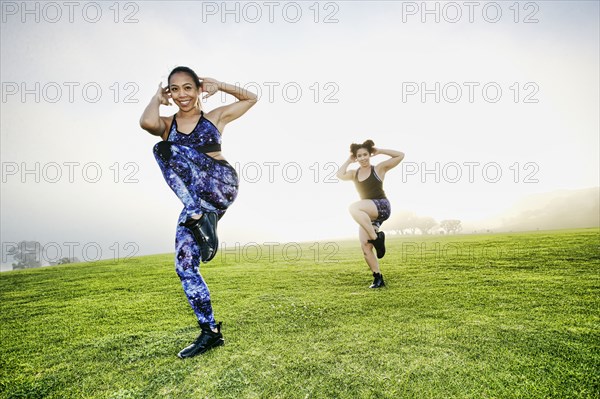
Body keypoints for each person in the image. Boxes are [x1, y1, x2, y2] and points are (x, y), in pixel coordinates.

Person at [139, 66, 257, 358]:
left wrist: (221, 84)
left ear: (198, 89)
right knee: (185, 264)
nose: (182, 95)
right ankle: (210, 331)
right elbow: (146, 122)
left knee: (163, 150)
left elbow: (251, 98)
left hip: (220, 184)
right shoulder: (169, 125)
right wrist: (156, 97)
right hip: (198, 205)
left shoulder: (213, 118)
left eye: (188, 88)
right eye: (174, 89)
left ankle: (198, 216)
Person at [336, 140, 404, 288]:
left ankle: (376, 238)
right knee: (365, 246)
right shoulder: (354, 173)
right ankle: (378, 277)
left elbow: (400, 155)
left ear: (369, 155)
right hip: (367, 214)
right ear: (356, 158)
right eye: (359, 156)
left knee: (353, 207)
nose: (363, 158)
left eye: (365, 154)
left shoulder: (378, 169)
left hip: (381, 207)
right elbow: (340, 174)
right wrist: (348, 160)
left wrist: (380, 151)